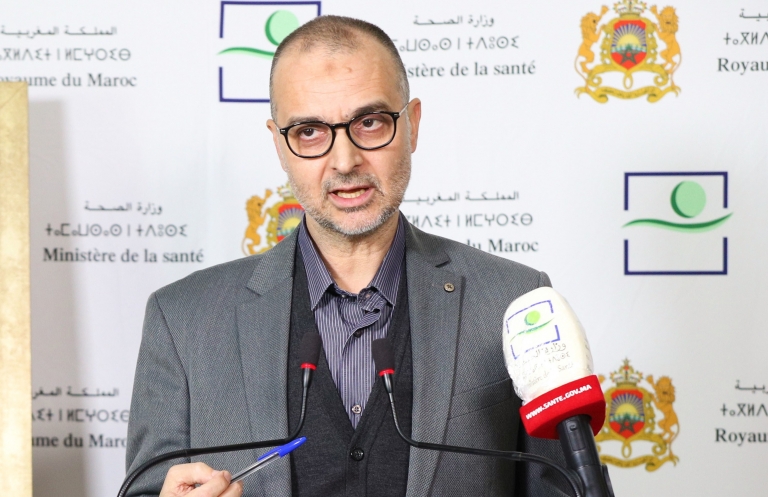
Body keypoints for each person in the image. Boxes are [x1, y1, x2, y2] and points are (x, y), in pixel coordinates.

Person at [126, 15, 568, 497]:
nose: (345, 161)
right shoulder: (182, 321)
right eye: (310, 132)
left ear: (412, 125)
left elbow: (563, 486)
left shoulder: (514, 302)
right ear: (279, 144)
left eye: (370, 122)